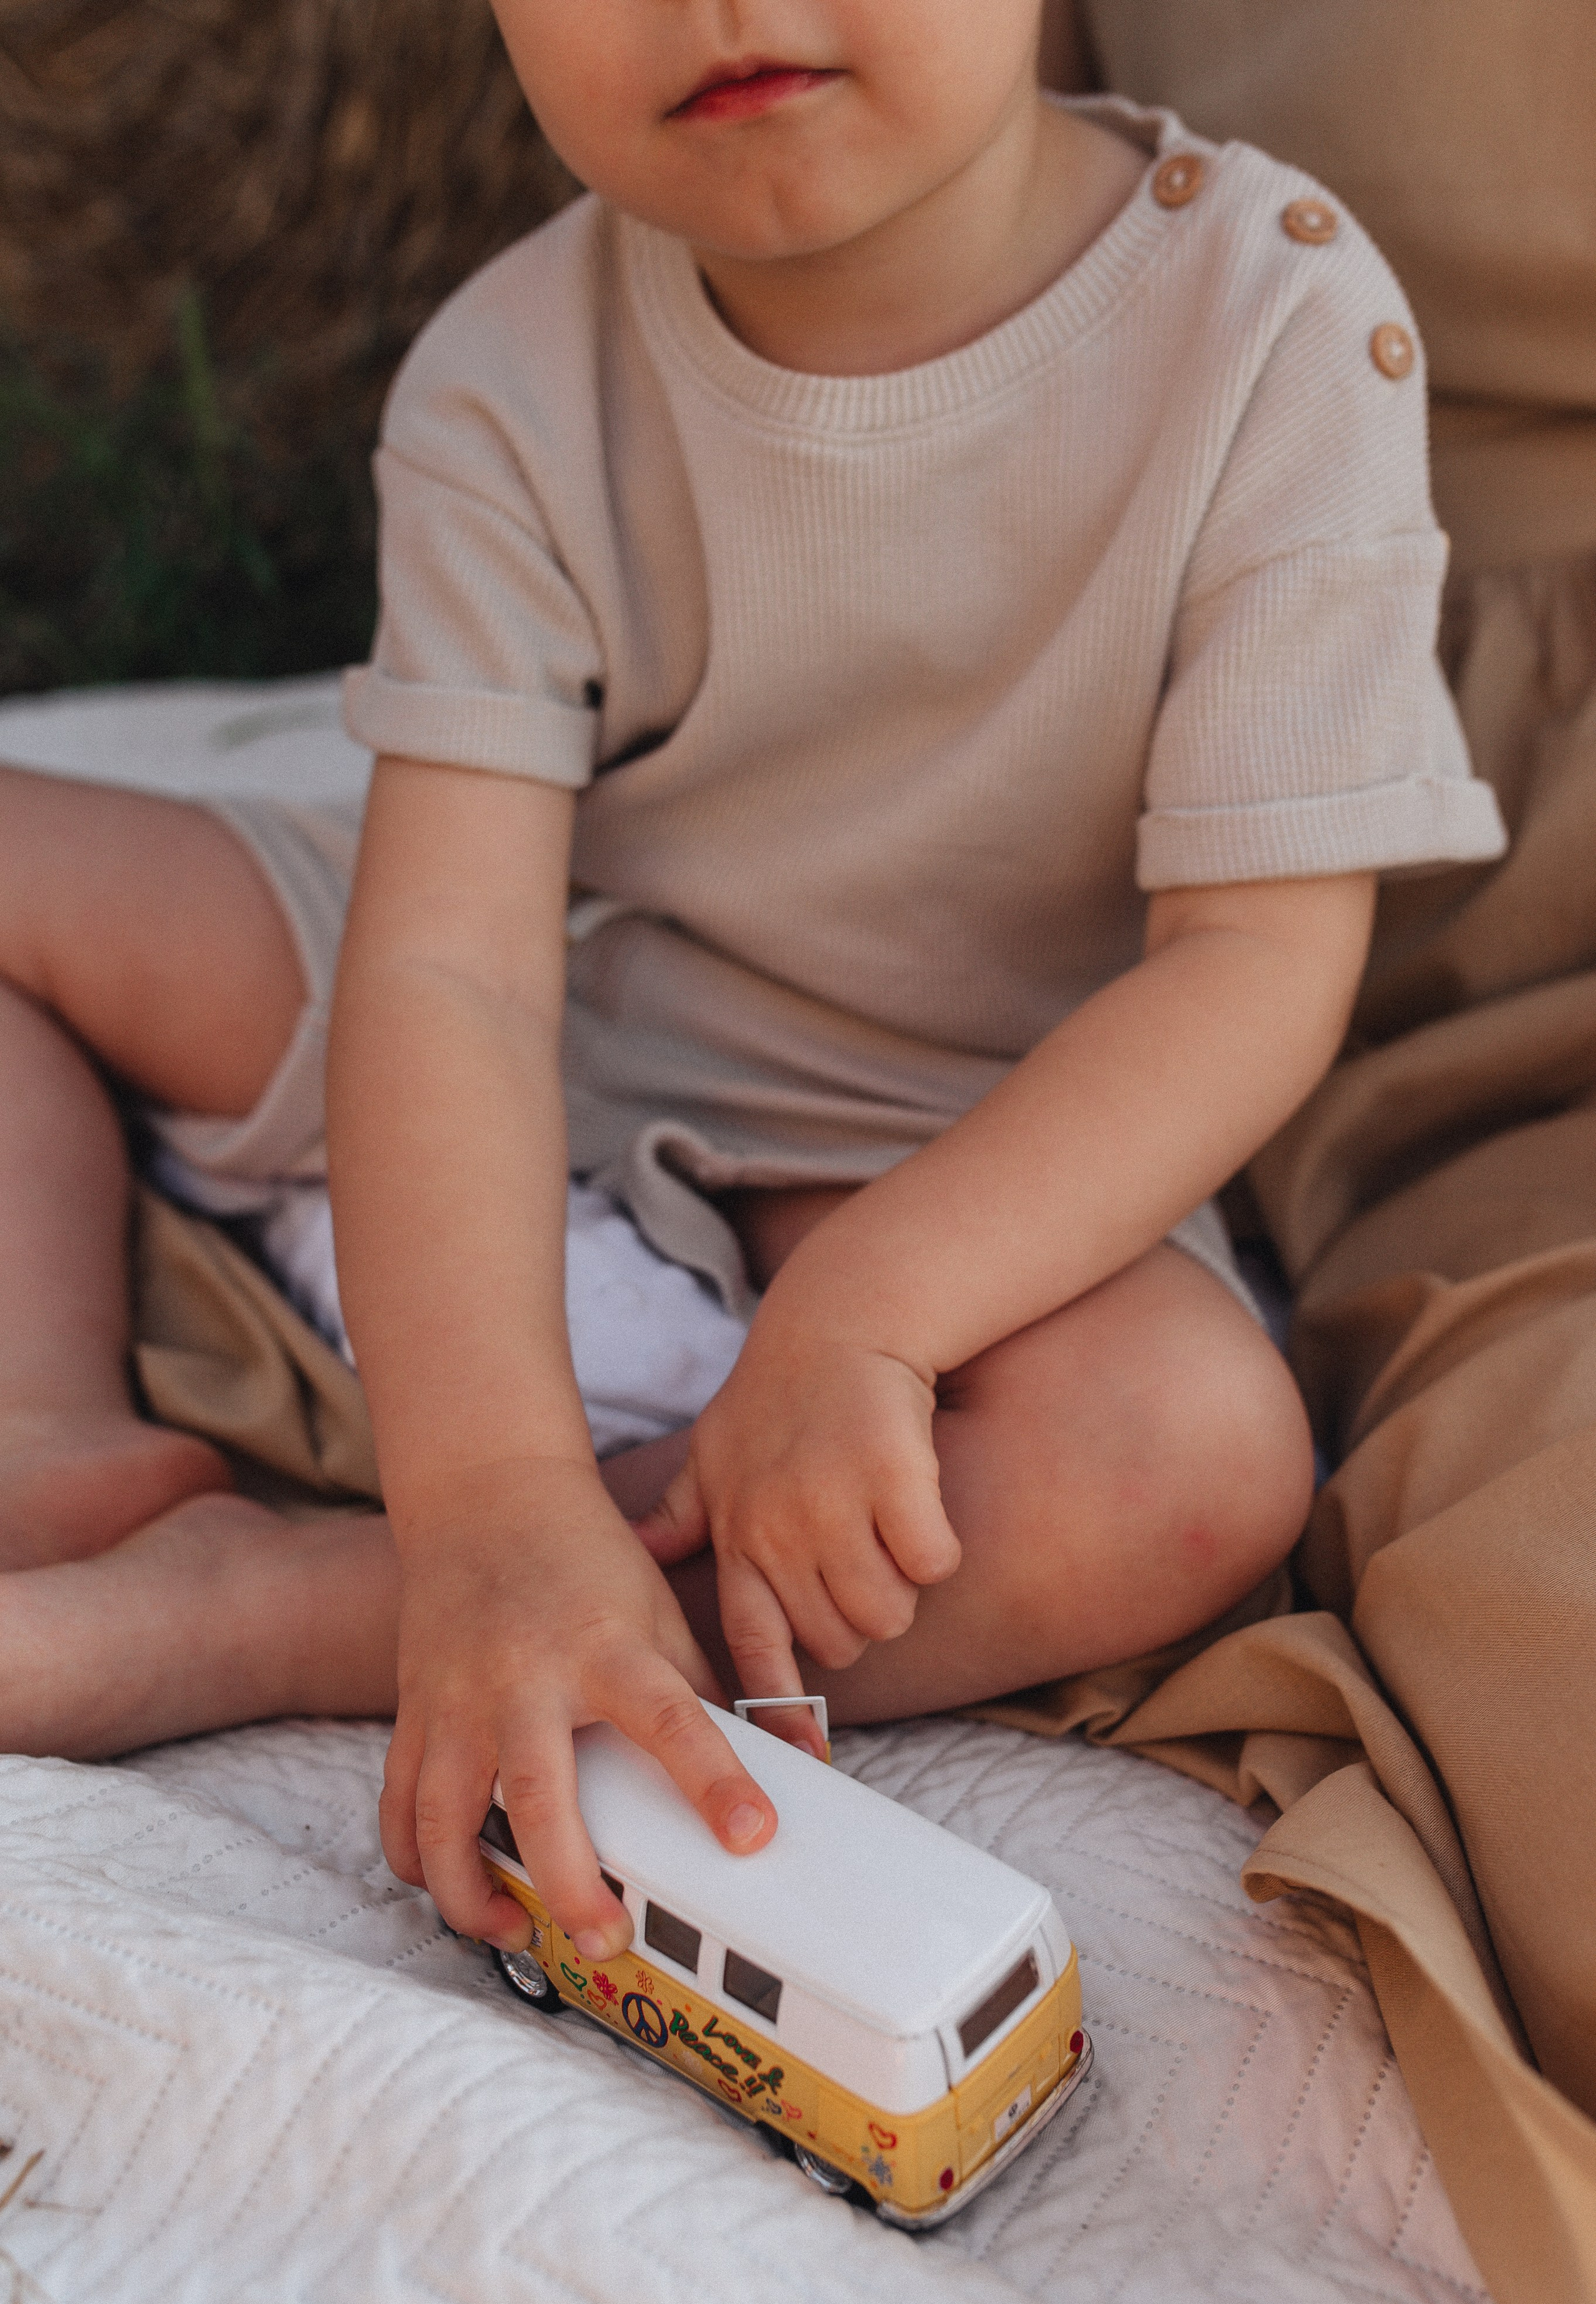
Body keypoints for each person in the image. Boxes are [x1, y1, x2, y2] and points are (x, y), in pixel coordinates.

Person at [0, 0, 1502, 1967]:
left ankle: (278, 1607)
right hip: (555, 984)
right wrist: (496, 1487)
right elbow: (447, 974)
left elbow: (1256, 966)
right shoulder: (516, 369)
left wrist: (871, 1310)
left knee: (1184, 1461)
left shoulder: (1265, 322)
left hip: (938, 1131)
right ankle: (53, 1441)